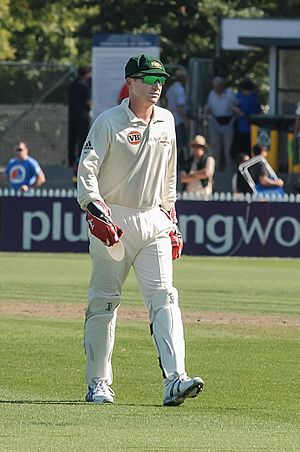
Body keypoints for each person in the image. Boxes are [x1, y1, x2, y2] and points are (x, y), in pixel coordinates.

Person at [77, 53, 204, 406]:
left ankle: (175, 380)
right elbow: (86, 170)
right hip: (114, 219)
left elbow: (168, 175)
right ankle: (99, 384)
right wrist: (94, 207)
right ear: (130, 82)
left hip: (154, 220)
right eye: (148, 79)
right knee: (104, 302)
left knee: (165, 297)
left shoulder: (167, 121)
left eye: (160, 79)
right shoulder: (108, 122)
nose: (157, 85)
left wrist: (171, 218)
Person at [206, 76, 238, 172]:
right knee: (215, 147)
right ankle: (215, 168)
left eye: (219, 86)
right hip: (216, 122)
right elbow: (209, 107)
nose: (217, 88)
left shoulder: (230, 94)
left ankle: (229, 169)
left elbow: (236, 107)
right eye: (216, 86)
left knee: (227, 148)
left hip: (228, 122)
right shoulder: (212, 94)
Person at [165, 68, 189, 169]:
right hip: (178, 121)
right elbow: (180, 108)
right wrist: (186, 120)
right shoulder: (180, 90)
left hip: (170, 120)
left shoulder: (171, 88)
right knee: (179, 145)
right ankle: (174, 165)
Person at [68, 66, 92, 166]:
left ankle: (71, 160)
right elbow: (88, 101)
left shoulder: (72, 84)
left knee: (72, 137)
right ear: (86, 74)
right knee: (82, 138)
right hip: (82, 114)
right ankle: (80, 160)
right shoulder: (84, 85)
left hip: (72, 113)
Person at [233, 79, 261, 159]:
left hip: (246, 128)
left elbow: (242, 113)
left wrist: (233, 108)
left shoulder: (251, 98)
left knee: (246, 150)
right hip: (248, 128)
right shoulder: (251, 96)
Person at [180, 135, 215, 199]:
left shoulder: (209, 159)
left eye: (199, 146)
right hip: (189, 196)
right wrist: (199, 175)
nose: (196, 148)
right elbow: (183, 178)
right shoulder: (188, 161)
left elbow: (206, 173)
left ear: (203, 148)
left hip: (204, 196)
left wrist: (191, 175)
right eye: (194, 146)